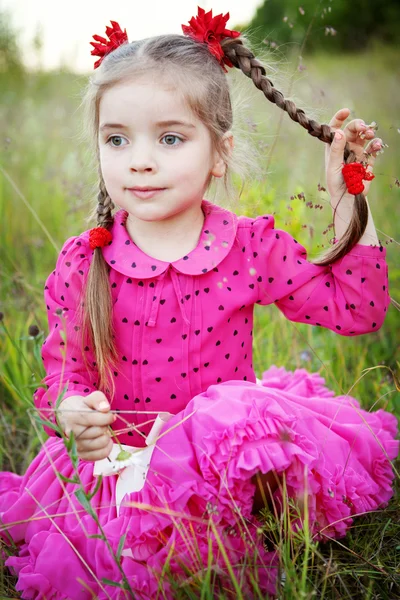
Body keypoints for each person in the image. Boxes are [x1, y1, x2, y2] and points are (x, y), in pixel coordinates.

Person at [0, 7, 398, 599]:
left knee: (232, 420)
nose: (140, 159)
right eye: (116, 139)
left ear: (218, 152)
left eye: (169, 138)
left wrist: (347, 197)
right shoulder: (88, 261)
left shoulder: (248, 246)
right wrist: (71, 411)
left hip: (222, 469)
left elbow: (358, 310)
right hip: (122, 465)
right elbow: (65, 369)